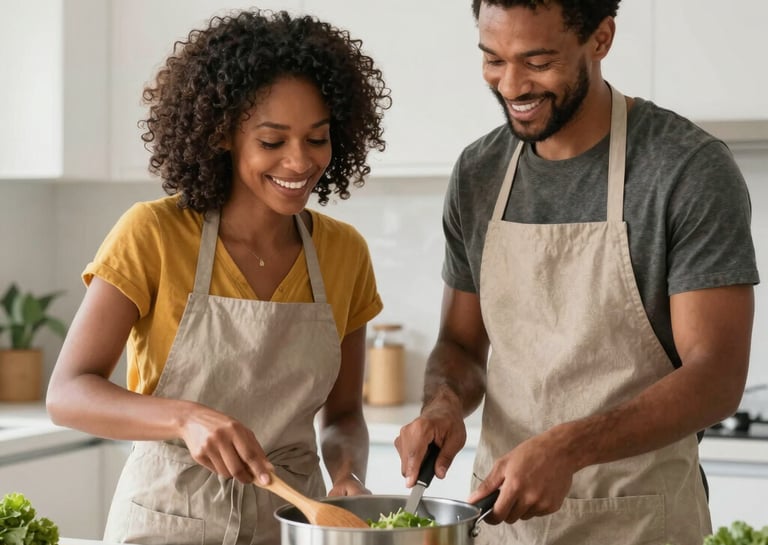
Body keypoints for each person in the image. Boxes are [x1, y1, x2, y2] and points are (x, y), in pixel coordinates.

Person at [394, 1, 759, 544]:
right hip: (500, 522)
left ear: (601, 39)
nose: (511, 85)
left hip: (640, 521)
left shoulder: (685, 169)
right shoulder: (479, 172)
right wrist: (443, 404)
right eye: (493, 59)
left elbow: (717, 377)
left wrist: (568, 448)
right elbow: (462, 346)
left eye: (537, 62)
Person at [46, 8, 390, 545]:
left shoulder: (344, 252)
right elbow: (68, 394)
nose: (300, 162)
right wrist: (184, 418)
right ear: (223, 134)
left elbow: (344, 414)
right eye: (273, 142)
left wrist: (348, 475)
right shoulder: (153, 233)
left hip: (295, 522)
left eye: (317, 138)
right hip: (166, 519)